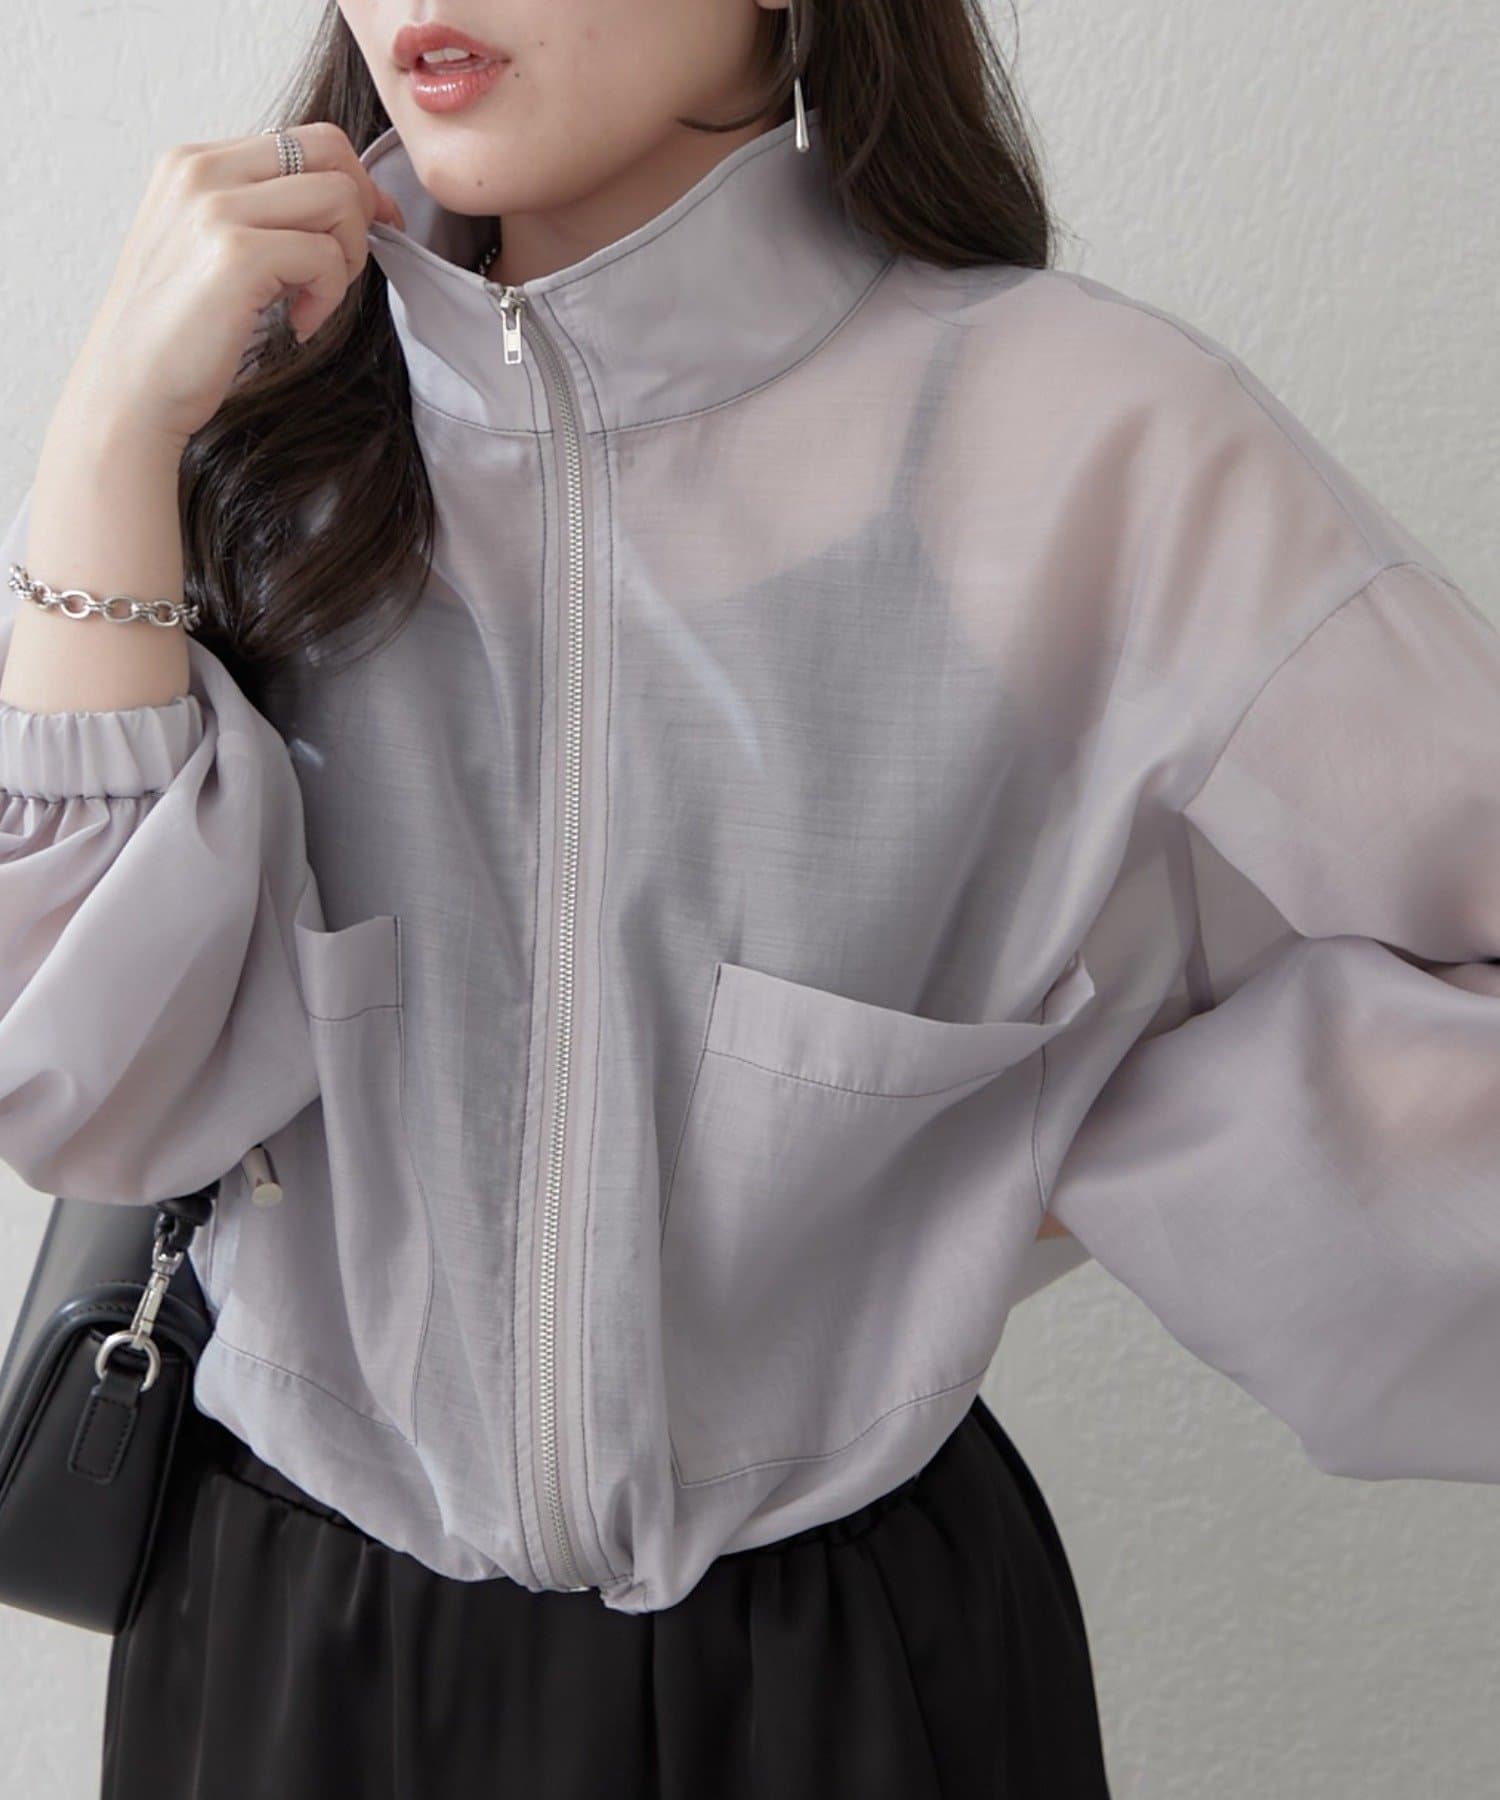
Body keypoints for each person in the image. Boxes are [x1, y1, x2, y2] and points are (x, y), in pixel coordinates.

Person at [0, 0, 1493, 1794]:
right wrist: (105, 440)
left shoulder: (1091, 440)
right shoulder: (253, 411)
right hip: (276, 1657)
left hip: (847, 1681)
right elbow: (90, 1096)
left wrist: (1048, 1126)